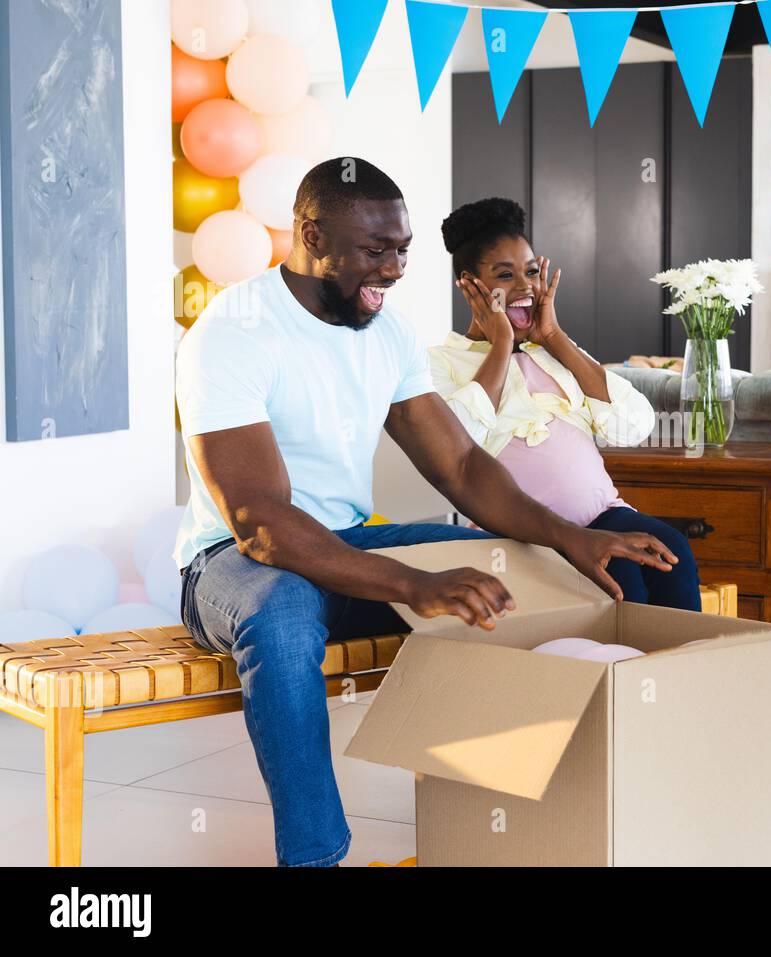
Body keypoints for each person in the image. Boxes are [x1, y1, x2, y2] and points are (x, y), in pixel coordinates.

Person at [173, 159, 677, 867]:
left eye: (403, 249)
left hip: (344, 546)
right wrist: (411, 583)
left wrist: (570, 539)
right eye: (375, 251)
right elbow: (259, 521)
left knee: (508, 563)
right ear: (312, 235)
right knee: (283, 615)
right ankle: (314, 857)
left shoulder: (387, 332)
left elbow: (464, 466)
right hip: (231, 563)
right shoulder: (233, 333)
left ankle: (510, 834)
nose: (396, 268)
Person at [429, 198, 702, 611]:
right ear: (470, 284)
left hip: (604, 516)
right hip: (519, 535)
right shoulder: (442, 363)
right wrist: (501, 343)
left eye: (532, 272)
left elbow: (635, 424)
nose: (525, 287)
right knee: (622, 581)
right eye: (505, 275)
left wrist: (554, 336)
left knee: (670, 550)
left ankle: (679, 673)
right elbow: (456, 445)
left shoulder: (552, 351)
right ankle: (628, 675)